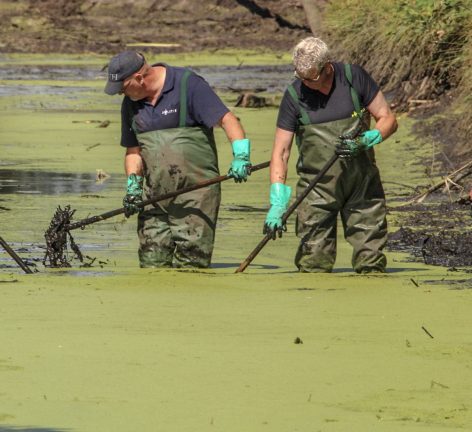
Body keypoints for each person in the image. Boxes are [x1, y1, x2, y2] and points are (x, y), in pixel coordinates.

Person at [105, 51, 252, 268]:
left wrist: (241, 155)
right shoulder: (131, 102)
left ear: (139, 78)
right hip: (153, 199)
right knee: (151, 265)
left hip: (195, 198)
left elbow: (228, 120)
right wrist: (133, 188)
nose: (120, 94)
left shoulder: (188, 85)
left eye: (123, 88)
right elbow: (134, 151)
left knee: (192, 267)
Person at [265, 37, 398, 273]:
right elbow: (281, 152)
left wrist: (368, 139)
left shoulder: (354, 77)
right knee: (313, 262)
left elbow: (387, 119)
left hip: (362, 186)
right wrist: (277, 203)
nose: (305, 83)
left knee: (371, 262)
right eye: (300, 77)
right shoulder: (294, 96)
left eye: (311, 78)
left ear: (327, 66)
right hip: (316, 189)